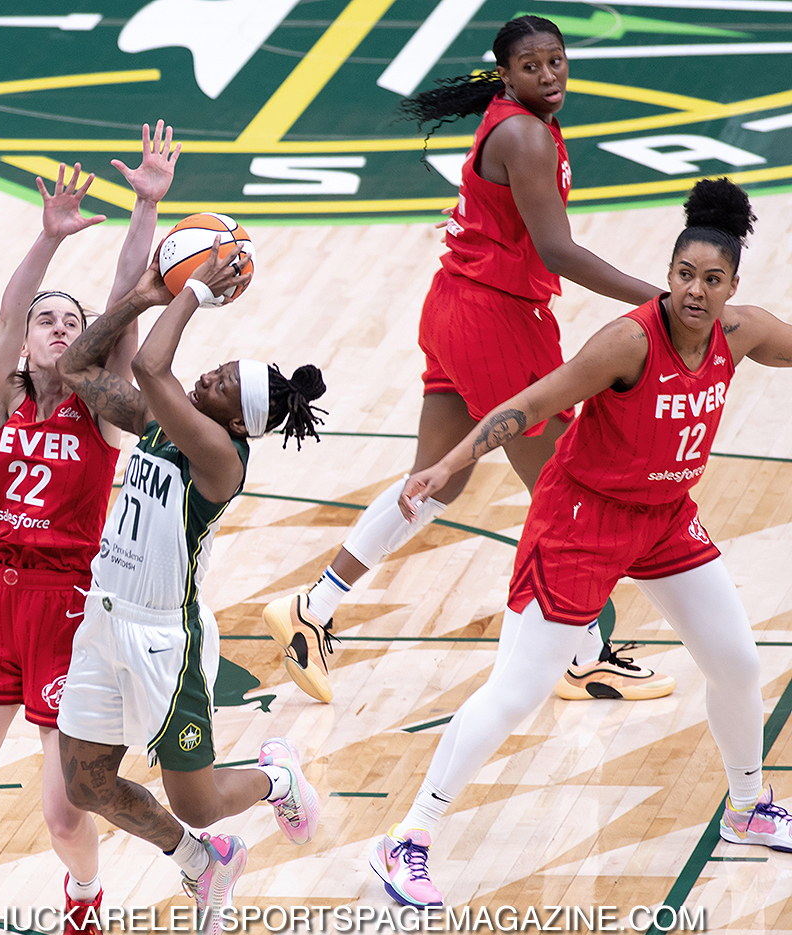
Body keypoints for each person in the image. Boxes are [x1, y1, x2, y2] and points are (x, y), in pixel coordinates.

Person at [368, 178, 792, 908]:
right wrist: (448, 463)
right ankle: (408, 836)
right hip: (580, 522)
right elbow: (530, 403)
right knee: (518, 691)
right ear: (668, 275)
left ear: (732, 287)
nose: (695, 290)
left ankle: (747, 808)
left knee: (737, 662)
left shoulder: (742, 333)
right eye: (684, 274)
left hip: (663, 518)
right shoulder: (627, 342)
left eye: (711, 279)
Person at [263, 15, 669, 705]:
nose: (549, 75)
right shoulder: (524, 135)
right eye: (532, 66)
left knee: (436, 483)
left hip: (457, 306)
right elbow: (558, 251)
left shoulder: (519, 122)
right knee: (564, 490)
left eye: (556, 60)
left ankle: (314, 606)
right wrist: (660, 303)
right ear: (505, 74)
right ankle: (582, 658)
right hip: (494, 321)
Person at [0, 123, 180, 935]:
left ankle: (84, 896)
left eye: (72, 322)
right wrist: (48, 238)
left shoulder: (99, 411)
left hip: (69, 610)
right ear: (28, 340)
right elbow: (2, 317)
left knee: (67, 816)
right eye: (48, 320)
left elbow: (125, 307)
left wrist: (145, 206)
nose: (60, 327)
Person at [54, 241, 327, 935]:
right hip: (102, 621)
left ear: (237, 422)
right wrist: (141, 298)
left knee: (198, 803)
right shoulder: (160, 425)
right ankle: (203, 863)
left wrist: (194, 294)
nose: (210, 373)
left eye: (224, 382)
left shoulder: (219, 459)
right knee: (86, 786)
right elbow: (76, 367)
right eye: (221, 367)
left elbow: (151, 366)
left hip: (161, 641)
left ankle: (276, 778)